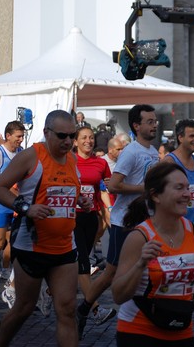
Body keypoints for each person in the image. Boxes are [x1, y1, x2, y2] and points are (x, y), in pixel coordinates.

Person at [0, 110, 93, 346]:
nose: (68, 141)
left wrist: (80, 201)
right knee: (24, 309)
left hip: (65, 247)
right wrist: (27, 207)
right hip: (32, 246)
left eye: (71, 135)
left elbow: (67, 189)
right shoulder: (30, 156)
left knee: (67, 309)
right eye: (61, 136)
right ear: (46, 133)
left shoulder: (72, 159)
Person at [112, 162, 194, 346]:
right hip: (139, 331)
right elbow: (118, 295)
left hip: (181, 330)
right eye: (179, 188)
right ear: (156, 195)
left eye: (187, 187)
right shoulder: (140, 237)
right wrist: (140, 264)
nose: (187, 194)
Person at [76, 104, 159, 340]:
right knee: (111, 272)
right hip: (126, 221)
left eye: (155, 121)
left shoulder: (152, 152)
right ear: (136, 125)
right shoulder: (131, 152)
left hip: (146, 221)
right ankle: (84, 310)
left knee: (146, 268)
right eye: (150, 121)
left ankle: (142, 318)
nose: (154, 125)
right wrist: (144, 189)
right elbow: (113, 186)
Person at [73, 126, 116, 327]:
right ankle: (95, 309)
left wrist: (109, 211)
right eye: (83, 138)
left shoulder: (101, 163)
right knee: (83, 265)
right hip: (72, 219)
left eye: (91, 138)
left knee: (80, 264)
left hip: (91, 219)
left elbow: (103, 189)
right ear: (75, 141)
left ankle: (48, 291)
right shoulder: (69, 161)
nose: (88, 141)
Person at [0, 120, 25, 280]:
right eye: (18, 136)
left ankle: (4, 270)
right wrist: (7, 179)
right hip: (0, 205)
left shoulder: (21, 152)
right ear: (8, 136)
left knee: (13, 240)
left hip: (16, 203)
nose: (20, 140)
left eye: (22, 136)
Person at [162, 119, 194, 228]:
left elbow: (191, 201)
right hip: (173, 230)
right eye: (192, 136)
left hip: (192, 228)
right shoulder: (170, 162)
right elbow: (161, 198)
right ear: (180, 138)